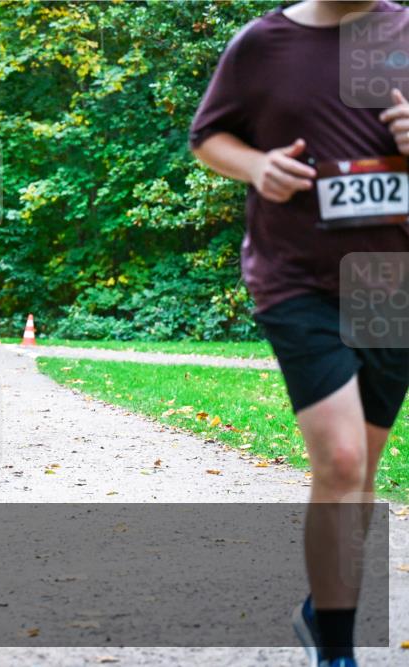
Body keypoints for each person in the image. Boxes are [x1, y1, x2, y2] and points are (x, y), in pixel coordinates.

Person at [190, 2, 409, 665]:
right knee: (341, 461)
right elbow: (208, 138)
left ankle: (324, 608)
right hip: (297, 278)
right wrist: (256, 168)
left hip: (388, 281)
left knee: (360, 474)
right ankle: (338, 650)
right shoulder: (263, 43)